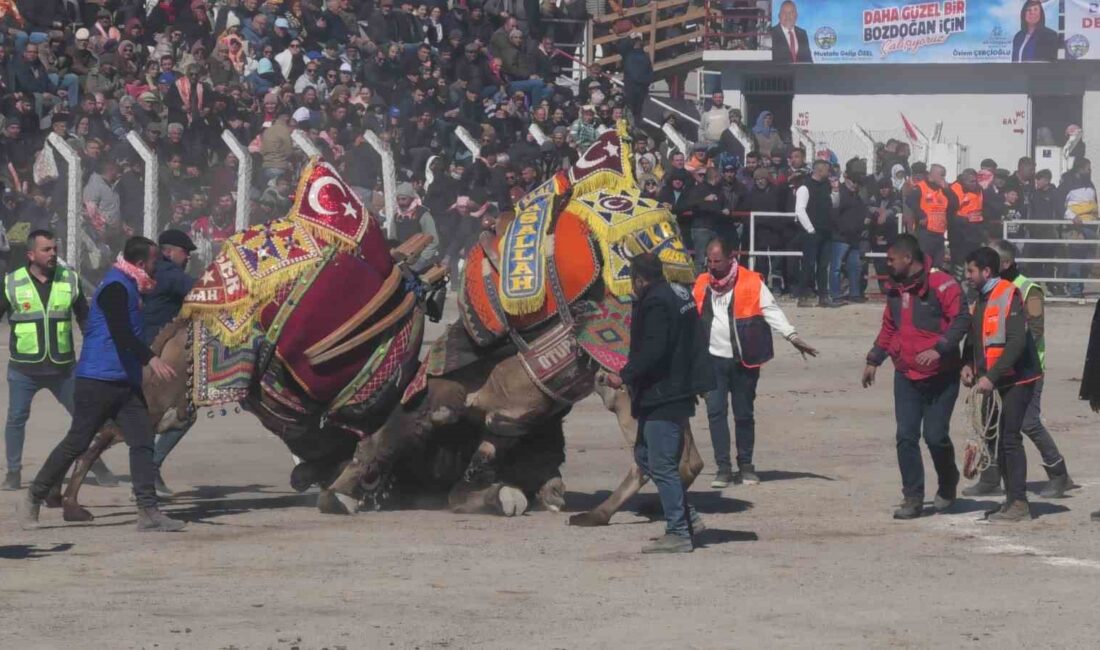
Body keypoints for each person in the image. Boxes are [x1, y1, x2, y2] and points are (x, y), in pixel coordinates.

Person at [18, 236, 184, 532]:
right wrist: (152, 360)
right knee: (77, 442)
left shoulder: (132, 285)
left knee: (143, 440)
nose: (158, 266)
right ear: (142, 263)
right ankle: (34, 496)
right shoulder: (115, 287)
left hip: (125, 383)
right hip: (97, 380)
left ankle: (148, 511)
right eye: (155, 261)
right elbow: (121, 333)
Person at [604, 252, 713, 553]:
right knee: (645, 455)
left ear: (639, 278)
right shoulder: (679, 292)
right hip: (677, 388)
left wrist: (623, 375)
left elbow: (654, 350)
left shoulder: (654, 302)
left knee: (663, 464)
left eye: (632, 281)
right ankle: (688, 518)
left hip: (664, 393)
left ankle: (678, 532)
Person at [694, 238, 817, 488]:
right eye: (709, 260)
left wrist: (792, 335)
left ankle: (746, 466)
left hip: (744, 360)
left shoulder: (751, 281)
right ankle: (723, 469)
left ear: (731, 258)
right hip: (712, 360)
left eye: (717, 260)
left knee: (743, 414)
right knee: (715, 413)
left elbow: (771, 310)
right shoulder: (701, 283)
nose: (712, 265)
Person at [862, 234, 970, 519]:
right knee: (905, 436)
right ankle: (913, 497)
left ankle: (948, 482)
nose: (886, 264)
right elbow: (890, 326)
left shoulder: (943, 284)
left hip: (941, 375)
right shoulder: (895, 289)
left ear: (907, 259)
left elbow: (961, 321)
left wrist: (940, 349)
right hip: (906, 374)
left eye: (890, 259)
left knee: (935, 436)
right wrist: (874, 358)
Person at [1, 230, 116, 491]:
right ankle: (13, 473)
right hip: (23, 369)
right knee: (16, 418)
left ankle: (94, 465)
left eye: (54, 248)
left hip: (63, 368)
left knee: (84, 418)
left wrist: (96, 349)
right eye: (46, 249)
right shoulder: (11, 282)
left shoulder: (69, 279)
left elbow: (85, 320)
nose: (53, 254)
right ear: (31, 254)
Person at [960, 240, 1074, 499]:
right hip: (993, 372)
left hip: (1024, 372)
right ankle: (990, 476)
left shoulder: (1026, 290)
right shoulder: (984, 294)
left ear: (1003, 264)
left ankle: (1059, 473)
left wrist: (1001, 367)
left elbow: (1033, 332)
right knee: (988, 421)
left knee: (1027, 423)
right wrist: (973, 363)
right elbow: (977, 333)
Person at [960, 247, 1043, 523]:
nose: (967, 276)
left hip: (1019, 378)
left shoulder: (1008, 294)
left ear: (986, 271)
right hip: (998, 380)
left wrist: (991, 376)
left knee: (1010, 439)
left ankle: (1019, 502)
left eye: (971, 271)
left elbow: (1017, 342)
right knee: (1001, 442)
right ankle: (1011, 500)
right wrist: (968, 366)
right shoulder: (980, 299)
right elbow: (974, 338)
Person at [144, 229, 198, 497]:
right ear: (169, 252)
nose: (188, 256)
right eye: (184, 251)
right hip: (154, 355)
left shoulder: (151, 271)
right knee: (185, 413)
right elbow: (203, 293)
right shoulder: (171, 274)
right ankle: (149, 470)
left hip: (140, 350)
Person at [795, 159, 837, 308]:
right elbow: (800, 210)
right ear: (819, 170)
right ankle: (803, 296)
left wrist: (835, 192)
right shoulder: (805, 188)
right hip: (811, 232)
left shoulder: (827, 186)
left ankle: (823, 297)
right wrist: (810, 230)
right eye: (827, 170)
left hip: (826, 231)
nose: (829, 173)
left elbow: (833, 204)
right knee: (808, 264)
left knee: (823, 265)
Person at [906, 163, 956, 270]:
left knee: (937, 265)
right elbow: (909, 200)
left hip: (940, 231)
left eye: (944, 175)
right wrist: (921, 214)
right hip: (925, 231)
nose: (943, 178)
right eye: (941, 175)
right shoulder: (921, 187)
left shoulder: (943, 189)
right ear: (932, 175)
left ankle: (934, 283)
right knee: (925, 262)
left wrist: (947, 190)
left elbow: (955, 204)